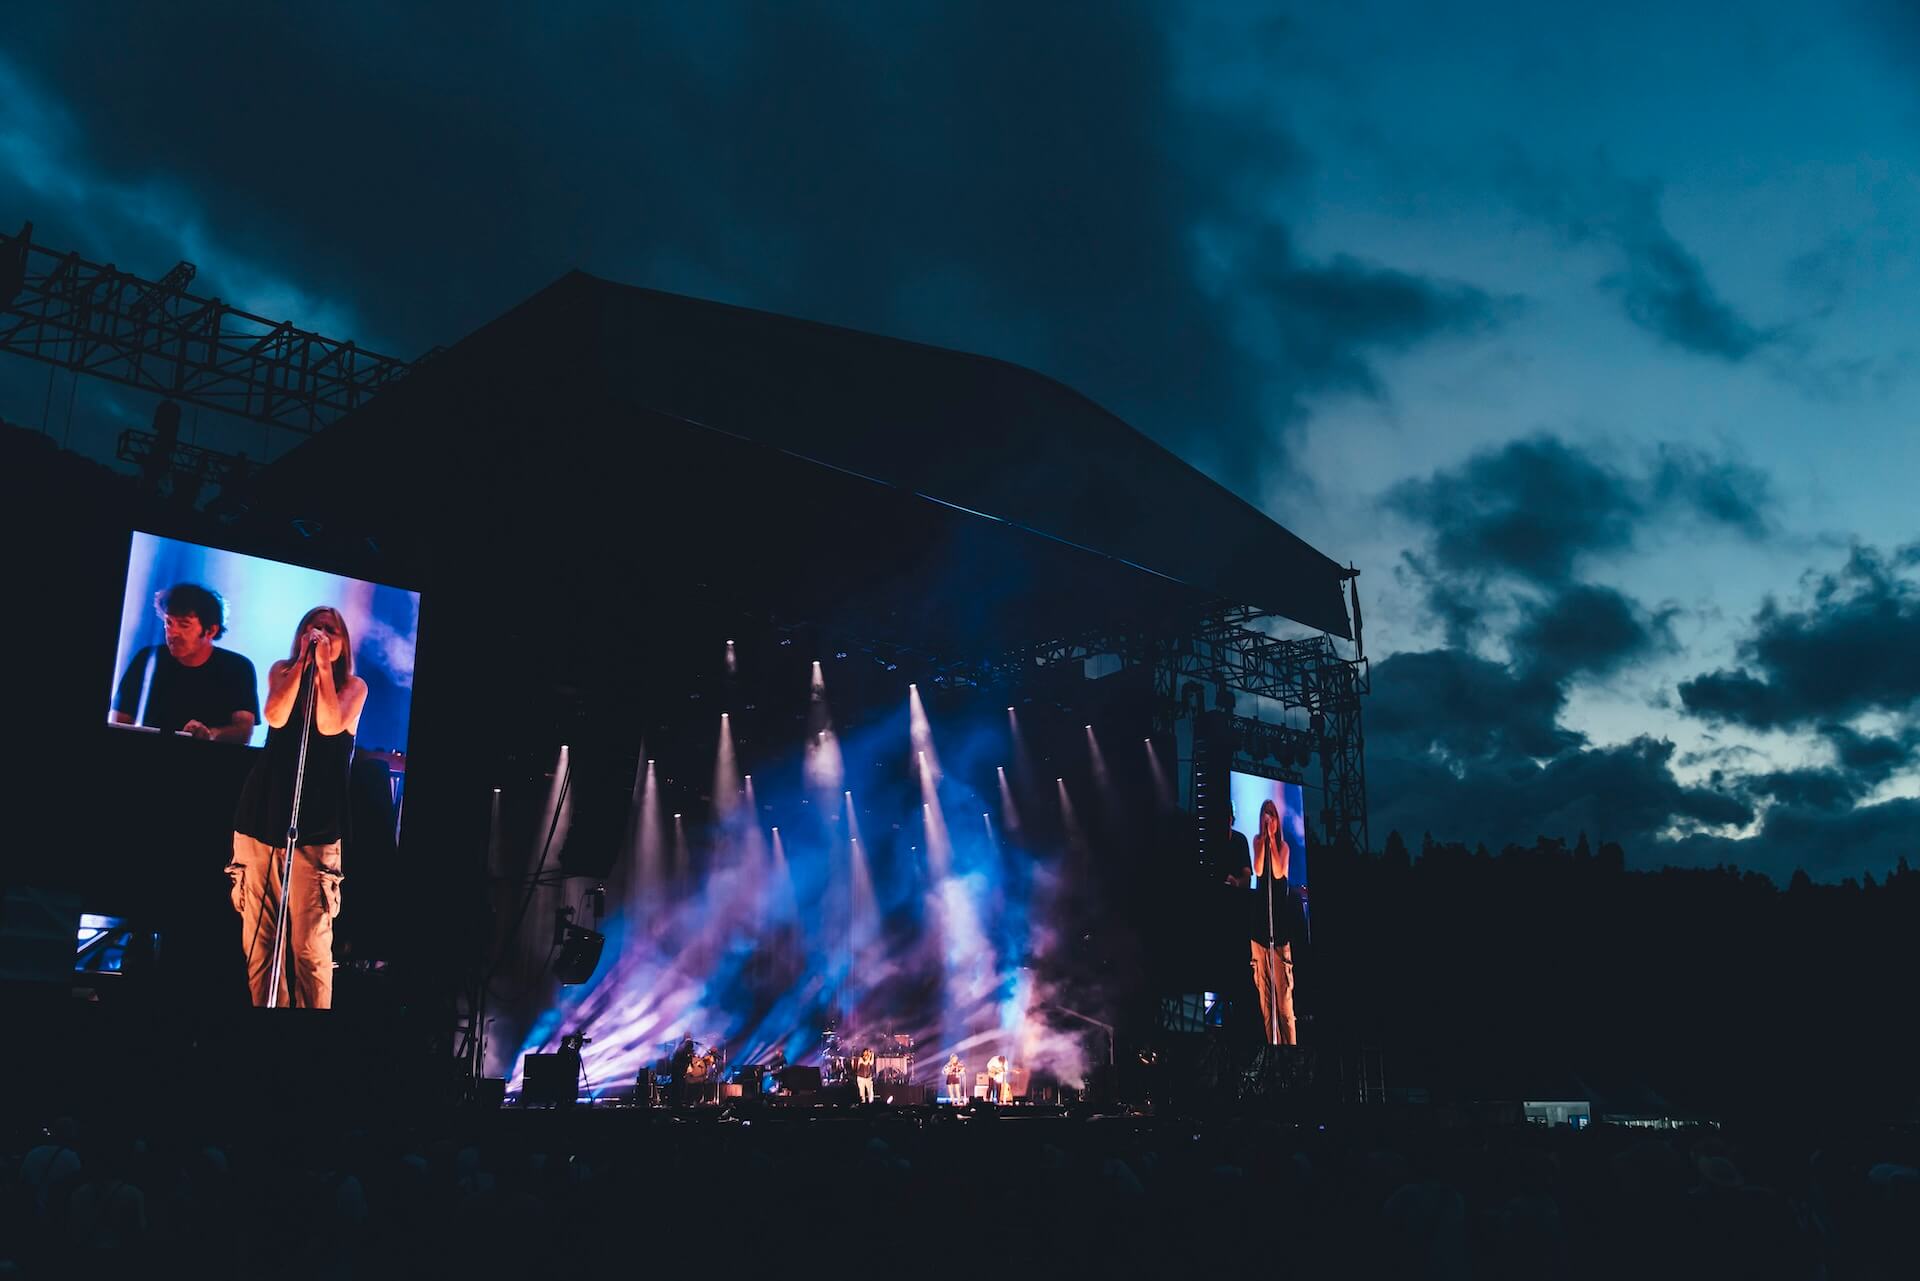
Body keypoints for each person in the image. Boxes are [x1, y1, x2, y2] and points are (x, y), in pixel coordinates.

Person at [226, 607, 367, 1008]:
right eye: (313, 628)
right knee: (261, 947)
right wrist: (304, 663)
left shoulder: (354, 687)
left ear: (343, 642)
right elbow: (273, 714)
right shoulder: (281, 671)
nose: (320, 635)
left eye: (330, 630)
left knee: (309, 948)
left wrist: (322, 669)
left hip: (318, 827)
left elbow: (328, 724)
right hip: (261, 818)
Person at [111, 584, 258, 742]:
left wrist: (209, 734)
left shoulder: (238, 667)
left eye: (184, 625)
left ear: (211, 631)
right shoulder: (147, 658)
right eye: (169, 622)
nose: (172, 633)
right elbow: (119, 720)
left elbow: (244, 731)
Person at [1228, 797, 1298, 1045]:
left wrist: (1273, 841)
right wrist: (1263, 841)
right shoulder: (1257, 842)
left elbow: (1278, 872)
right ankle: (1272, 1048)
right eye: (1266, 815)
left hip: (1280, 929)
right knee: (1265, 1002)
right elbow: (1258, 870)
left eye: (1273, 814)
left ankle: (1291, 1051)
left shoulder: (1285, 848)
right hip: (1259, 926)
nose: (1270, 819)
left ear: (1277, 820)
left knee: (1284, 1002)